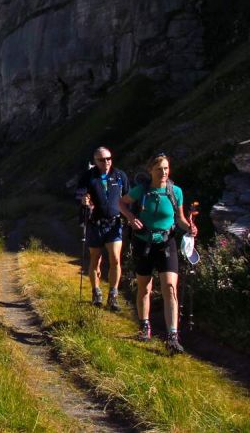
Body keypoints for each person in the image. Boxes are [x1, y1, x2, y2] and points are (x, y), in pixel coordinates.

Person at [119, 153, 198, 354]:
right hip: (143, 242)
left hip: (166, 243)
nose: (163, 172)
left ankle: (172, 336)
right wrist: (130, 217)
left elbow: (179, 218)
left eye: (166, 168)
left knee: (170, 288)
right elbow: (121, 202)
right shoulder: (142, 190)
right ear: (150, 171)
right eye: (159, 169)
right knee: (144, 287)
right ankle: (145, 326)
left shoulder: (175, 192)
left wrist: (189, 227)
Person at [76, 147, 129, 310]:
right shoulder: (88, 176)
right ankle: (96, 291)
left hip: (114, 223)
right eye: (102, 159)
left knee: (115, 259)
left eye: (108, 158)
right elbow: (80, 194)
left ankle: (113, 295)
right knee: (95, 259)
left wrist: (130, 216)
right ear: (95, 161)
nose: (106, 162)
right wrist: (84, 200)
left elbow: (128, 196)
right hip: (95, 223)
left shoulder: (120, 175)